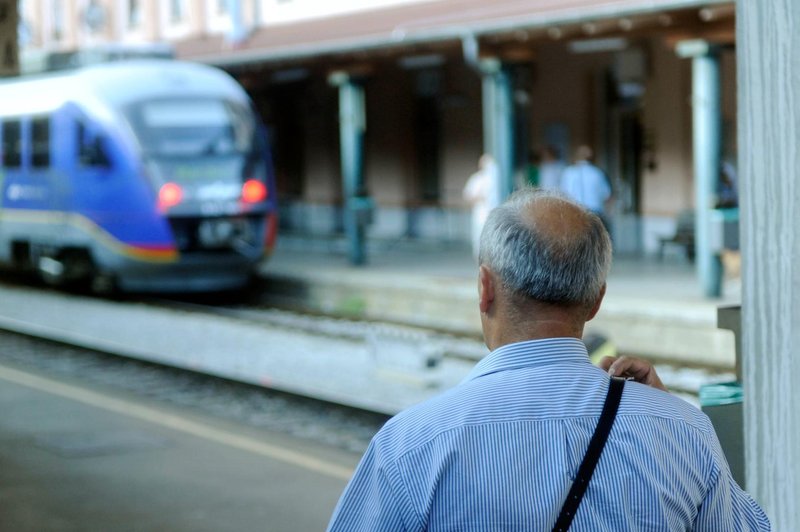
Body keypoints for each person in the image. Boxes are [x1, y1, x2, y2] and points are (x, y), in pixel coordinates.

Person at [327, 189, 769, 531]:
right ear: (596, 301)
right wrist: (665, 409)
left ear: (485, 288)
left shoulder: (410, 446)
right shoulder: (682, 432)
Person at [560, 145, 612, 229]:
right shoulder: (597, 173)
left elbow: (564, 193)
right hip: (595, 213)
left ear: (576, 156)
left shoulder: (569, 172)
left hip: (574, 212)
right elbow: (606, 195)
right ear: (592, 158)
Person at [463, 154, 501, 259]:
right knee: (478, 239)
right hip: (480, 215)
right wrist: (479, 197)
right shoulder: (476, 179)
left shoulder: (496, 178)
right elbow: (468, 195)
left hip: (494, 214)